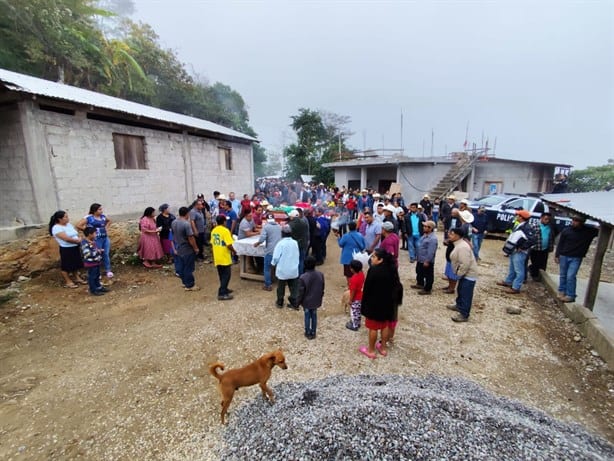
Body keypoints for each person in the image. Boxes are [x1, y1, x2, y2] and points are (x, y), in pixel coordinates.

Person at [359, 248, 402, 359]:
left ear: (380, 260)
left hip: (375, 303)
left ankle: (371, 350)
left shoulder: (373, 270)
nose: (371, 258)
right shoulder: (392, 269)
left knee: (373, 327)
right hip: (388, 302)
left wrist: (364, 303)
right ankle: (383, 348)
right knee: (385, 325)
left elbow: (367, 288)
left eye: (373, 257)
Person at [554, 215, 599, 303]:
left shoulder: (588, 231)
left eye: (576, 221)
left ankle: (570, 295)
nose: (574, 222)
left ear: (581, 222)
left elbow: (600, 230)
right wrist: (557, 255)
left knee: (571, 276)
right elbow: (560, 243)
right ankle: (562, 291)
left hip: (576, 257)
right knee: (563, 275)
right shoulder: (566, 230)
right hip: (564, 255)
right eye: (573, 220)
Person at [497, 210, 535, 294]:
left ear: (521, 217)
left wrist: (522, 247)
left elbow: (532, 240)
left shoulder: (527, 228)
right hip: (513, 249)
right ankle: (509, 281)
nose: (516, 216)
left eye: (518, 215)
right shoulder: (520, 225)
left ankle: (516, 287)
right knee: (512, 267)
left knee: (519, 270)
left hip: (520, 251)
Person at [446, 227, 479, 322]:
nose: (449, 235)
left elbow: (465, 263)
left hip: (468, 274)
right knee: (460, 290)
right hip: (464, 274)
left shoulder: (463, 247)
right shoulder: (458, 244)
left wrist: (459, 274)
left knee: (466, 294)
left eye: (451, 234)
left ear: (457, 236)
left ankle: (464, 314)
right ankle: (459, 305)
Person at [49, 210, 85, 288]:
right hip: (66, 249)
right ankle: (68, 281)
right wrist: (77, 241)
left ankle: (77, 277)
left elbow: (75, 233)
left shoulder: (68, 225)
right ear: (59, 219)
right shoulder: (56, 228)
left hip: (75, 247)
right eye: (65, 217)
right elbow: (66, 238)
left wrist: (79, 238)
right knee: (66, 265)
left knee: (76, 263)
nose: (67, 218)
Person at [77, 203, 113, 280]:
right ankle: (97, 272)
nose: (101, 211)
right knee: (96, 255)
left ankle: (108, 270)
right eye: (99, 209)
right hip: (96, 239)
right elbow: (78, 225)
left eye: (101, 209)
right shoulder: (89, 218)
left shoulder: (103, 217)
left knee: (105, 254)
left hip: (104, 238)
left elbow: (109, 221)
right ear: (94, 210)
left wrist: (106, 228)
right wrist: (88, 231)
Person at [172, 206, 200, 291]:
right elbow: (190, 238)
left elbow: (173, 234)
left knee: (181, 267)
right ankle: (190, 285)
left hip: (179, 247)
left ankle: (185, 282)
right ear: (187, 214)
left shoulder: (174, 222)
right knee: (188, 267)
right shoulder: (186, 224)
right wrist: (195, 248)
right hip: (187, 248)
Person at [272, 225, 300, 309]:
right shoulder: (295, 242)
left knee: (281, 286)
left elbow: (276, 257)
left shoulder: (280, 243)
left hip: (282, 269)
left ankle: (280, 302)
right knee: (294, 286)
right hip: (293, 269)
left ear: (282, 234)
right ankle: (294, 301)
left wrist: (273, 264)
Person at [297, 256, 325, 340]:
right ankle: (313, 331)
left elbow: (301, 292)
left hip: (306, 301)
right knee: (314, 315)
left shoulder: (303, 277)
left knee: (307, 316)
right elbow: (322, 287)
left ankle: (307, 332)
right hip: (316, 300)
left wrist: (298, 302)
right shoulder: (320, 274)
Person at [210, 215, 236, 301]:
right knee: (227, 275)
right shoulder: (225, 231)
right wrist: (234, 251)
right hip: (224, 256)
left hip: (217, 255)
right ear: (224, 221)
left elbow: (212, 242)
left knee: (221, 274)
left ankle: (224, 288)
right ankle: (222, 293)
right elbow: (229, 244)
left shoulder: (214, 230)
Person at [254, 214, 282, 291]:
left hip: (270, 250)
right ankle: (281, 282)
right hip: (279, 250)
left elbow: (262, 238)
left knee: (267, 268)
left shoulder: (266, 227)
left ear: (267, 220)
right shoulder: (279, 226)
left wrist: (257, 243)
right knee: (279, 267)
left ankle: (268, 285)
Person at [528, 212, 557, 281]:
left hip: (545, 248)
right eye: (545, 219)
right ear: (541, 218)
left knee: (543, 263)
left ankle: (540, 276)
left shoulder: (551, 228)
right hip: (536, 248)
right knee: (535, 262)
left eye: (548, 219)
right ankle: (534, 275)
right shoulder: (535, 226)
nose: (547, 221)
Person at [81, 226, 108, 296]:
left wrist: (98, 251)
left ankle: (98, 287)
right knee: (92, 276)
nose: (96, 235)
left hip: (96, 262)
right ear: (90, 234)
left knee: (97, 275)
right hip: (91, 263)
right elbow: (87, 253)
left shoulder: (92, 241)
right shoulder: (85, 243)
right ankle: (93, 289)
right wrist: (97, 251)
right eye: (95, 233)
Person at [413, 220, 438, 295]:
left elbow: (431, 251)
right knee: (419, 271)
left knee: (428, 275)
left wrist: (427, 261)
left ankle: (427, 289)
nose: (423, 227)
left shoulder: (433, 239)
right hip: (420, 259)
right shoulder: (425, 235)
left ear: (430, 228)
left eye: (425, 226)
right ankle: (420, 284)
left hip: (426, 260)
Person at [345, 259, 365, 331]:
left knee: (354, 312)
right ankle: (358, 323)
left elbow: (353, 291)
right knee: (358, 311)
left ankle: (354, 325)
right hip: (361, 296)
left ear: (352, 269)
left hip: (356, 298)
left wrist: (350, 300)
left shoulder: (353, 279)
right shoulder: (361, 274)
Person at [288, 209, 308, 275]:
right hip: (303, 244)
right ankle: (300, 276)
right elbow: (306, 233)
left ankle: (294, 275)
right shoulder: (304, 222)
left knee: (293, 261)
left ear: (292, 216)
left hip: (294, 245)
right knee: (301, 261)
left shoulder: (290, 224)